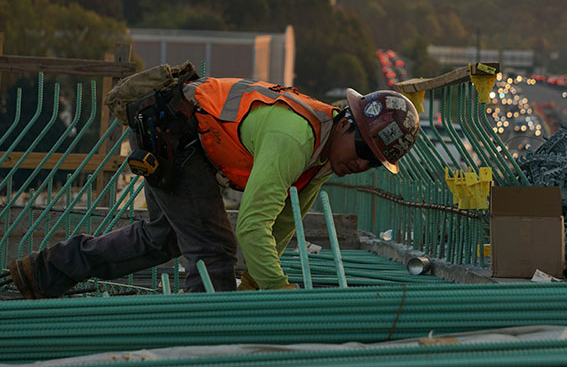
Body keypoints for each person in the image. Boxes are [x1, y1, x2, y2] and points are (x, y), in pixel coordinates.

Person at [7, 78, 419, 298]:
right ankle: (207, 342)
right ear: (347, 121)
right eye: (364, 148)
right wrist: (280, 295)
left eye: (373, 162)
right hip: (175, 135)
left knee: (161, 239)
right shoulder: (296, 140)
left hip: (181, 136)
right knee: (213, 251)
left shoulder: (324, 161)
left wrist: (256, 285)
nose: (361, 164)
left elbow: (280, 228)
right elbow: (252, 227)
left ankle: (42, 272)